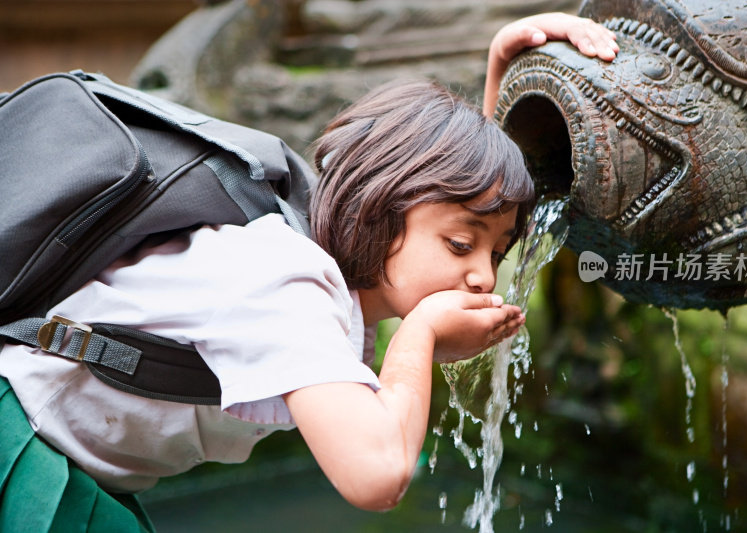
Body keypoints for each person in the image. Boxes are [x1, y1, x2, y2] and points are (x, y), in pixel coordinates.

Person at [0, 12, 617, 530]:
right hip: (22, 452)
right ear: (377, 212)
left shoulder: (325, 261)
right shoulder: (288, 285)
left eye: (497, 251)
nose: (484, 276)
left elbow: (443, 207)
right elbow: (376, 476)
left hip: (66, 459)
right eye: (462, 246)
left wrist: (501, 73)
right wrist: (419, 335)